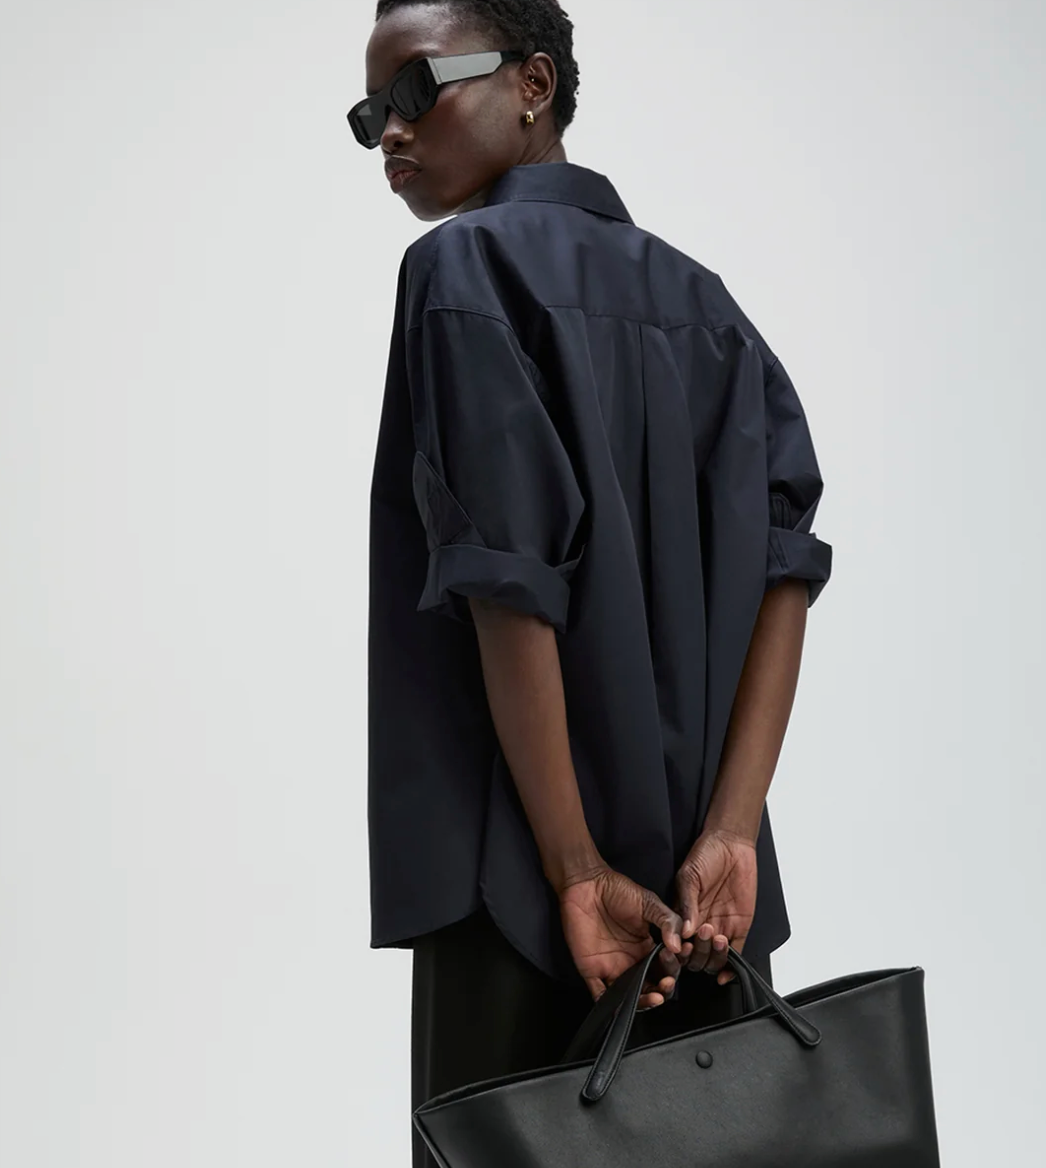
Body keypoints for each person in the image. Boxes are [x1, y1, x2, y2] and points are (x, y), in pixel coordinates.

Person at [350, 3, 832, 1163]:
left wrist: (574, 869)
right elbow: (787, 570)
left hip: (525, 887)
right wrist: (732, 833)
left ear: (534, 83)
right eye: (370, 115)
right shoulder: (709, 306)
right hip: (706, 906)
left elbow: (507, 583)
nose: (391, 133)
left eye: (416, 91)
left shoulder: (460, 268)